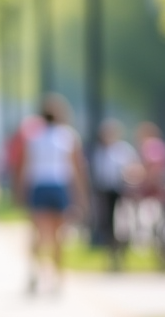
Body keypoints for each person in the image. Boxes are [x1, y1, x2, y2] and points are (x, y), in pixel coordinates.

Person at [13, 93, 88, 294]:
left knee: (38, 233)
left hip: (39, 186)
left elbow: (24, 165)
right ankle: (57, 277)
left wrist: (20, 190)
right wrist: (81, 195)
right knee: (58, 236)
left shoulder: (34, 136)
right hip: (59, 186)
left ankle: (35, 273)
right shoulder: (68, 136)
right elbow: (76, 167)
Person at [92, 118, 138, 270]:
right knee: (107, 223)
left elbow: (133, 168)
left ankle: (122, 253)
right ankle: (111, 254)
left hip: (121, 190)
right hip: (105, 191)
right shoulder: (100, 151)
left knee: (124, 222)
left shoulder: (123, 150)